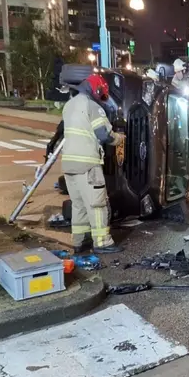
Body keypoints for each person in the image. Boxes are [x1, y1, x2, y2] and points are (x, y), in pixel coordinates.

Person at [61, 74, 125, 254]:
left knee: (78, 204)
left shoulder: (69, 105)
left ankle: (79, 241)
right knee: (97, 204)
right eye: (102, 95)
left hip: (69, 164)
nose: (102, 98)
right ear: (96, 90)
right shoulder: (93, 106)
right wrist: (119, 139)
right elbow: (104, 134)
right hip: (88, 164)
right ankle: (102, 241)